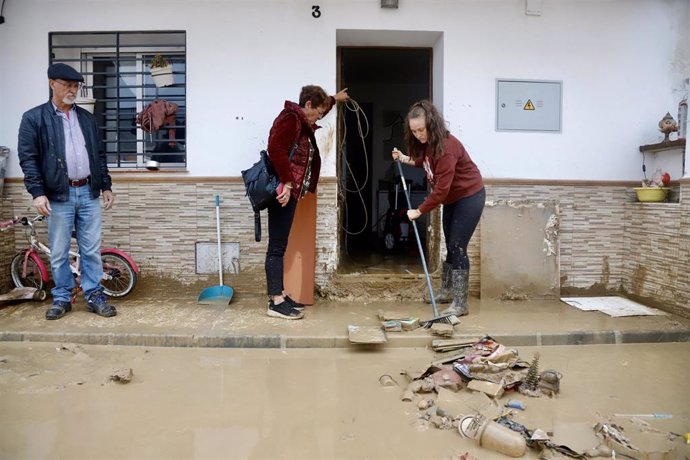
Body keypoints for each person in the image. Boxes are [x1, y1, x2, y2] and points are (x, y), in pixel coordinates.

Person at [17, 63, 116, 320]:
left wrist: (105, 185)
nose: (73, 90)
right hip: (58, 196)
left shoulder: (86, 118)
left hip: (87, 191)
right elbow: (28, 159)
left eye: (75, 86)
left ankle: (94, 293)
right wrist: (37, 192)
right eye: (67, 85)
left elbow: (98, 155)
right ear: (52, 83)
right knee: (60, 251)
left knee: (91, 249)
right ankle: (62, 297)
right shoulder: (34, 118)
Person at [391, 100, 485, 316]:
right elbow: (424, 162)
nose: (418, 135)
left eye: (421, 129)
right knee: (451, 245)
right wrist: (404, 158)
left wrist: (419, 210)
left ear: (432, 124)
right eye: (414, 131)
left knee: (458, 245)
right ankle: (447, 292)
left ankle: (461, 304)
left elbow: (440, 191)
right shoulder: (428, 145)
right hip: (453, 199)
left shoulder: (447, 147)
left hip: (470, 196)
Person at [264, 85, 349, 320]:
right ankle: (275, 302)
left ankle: (279, 294)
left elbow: (323, 106)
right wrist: (287, 183)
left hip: (289, 190)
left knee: (281, 244)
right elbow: (276, 149)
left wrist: (335, 99)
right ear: (308, 105)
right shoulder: (290, 119)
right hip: (283, 192)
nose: (320, 117)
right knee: (277, 247)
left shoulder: (301, 119)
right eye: (318, 112)